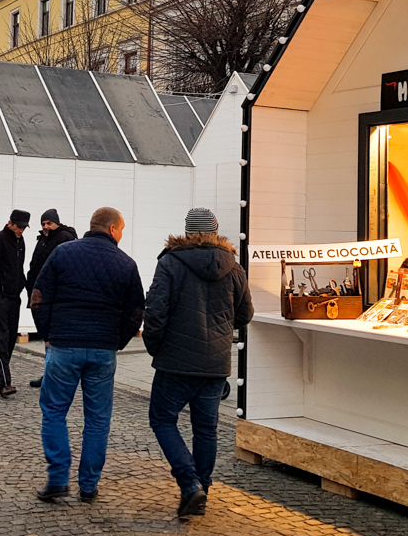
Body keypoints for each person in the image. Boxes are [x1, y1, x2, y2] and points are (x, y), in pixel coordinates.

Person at [143, 208, 254, 518]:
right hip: (215, 363)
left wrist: (156, 349)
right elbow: (245, 315)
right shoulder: (234, 267)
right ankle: (201, 486)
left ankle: (190, 484)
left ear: (188, 232)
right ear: (216, 232)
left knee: (162, 420)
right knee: (206, 429)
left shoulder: (170, 262)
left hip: (175, 362)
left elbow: (154, 312)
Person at [31, 207, 144, 503]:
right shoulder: (126, 264)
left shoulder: (63, 253)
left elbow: (39, 297)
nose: (121, 235)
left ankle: (57, 479)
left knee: (54, 412)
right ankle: (89, 485)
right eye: (121, 230)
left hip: (63, 345)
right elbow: (135, 312)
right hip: (102, 349)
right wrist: (115, 342)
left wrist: (48, 336)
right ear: (112, 230)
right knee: (97, 419)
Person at [24, 209, 78, 389]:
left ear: (57, 223)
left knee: (52, 339)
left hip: (53, 298)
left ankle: (54, 375)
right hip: (41, 296)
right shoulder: (44, 239)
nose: (46, 226)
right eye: (43, 223)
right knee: (47, 337)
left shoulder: (64, 238)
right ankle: (49, 373)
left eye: (49, 223)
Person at [0, 209, 29, 397]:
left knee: (10, 338)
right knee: (1, 338)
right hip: (1, 296)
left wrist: (22, 285)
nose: (21, 230)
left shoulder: (20, 242)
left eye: (24, 227)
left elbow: (18, 268)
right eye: (18, 226)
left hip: (14, 295)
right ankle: (4, 382)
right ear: (10, 223)